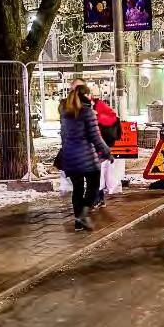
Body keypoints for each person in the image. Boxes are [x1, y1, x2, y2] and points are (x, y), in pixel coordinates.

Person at [59, 84, 112, 231]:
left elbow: (63, 135)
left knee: (77, 189)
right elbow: (96, 137)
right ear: (87, 96)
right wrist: (107, 152)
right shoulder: (87, 112)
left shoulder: (65, 112)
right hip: (86, 157)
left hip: (69, 157)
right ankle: (83, 214)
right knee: (94, 185)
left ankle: (78, 223)